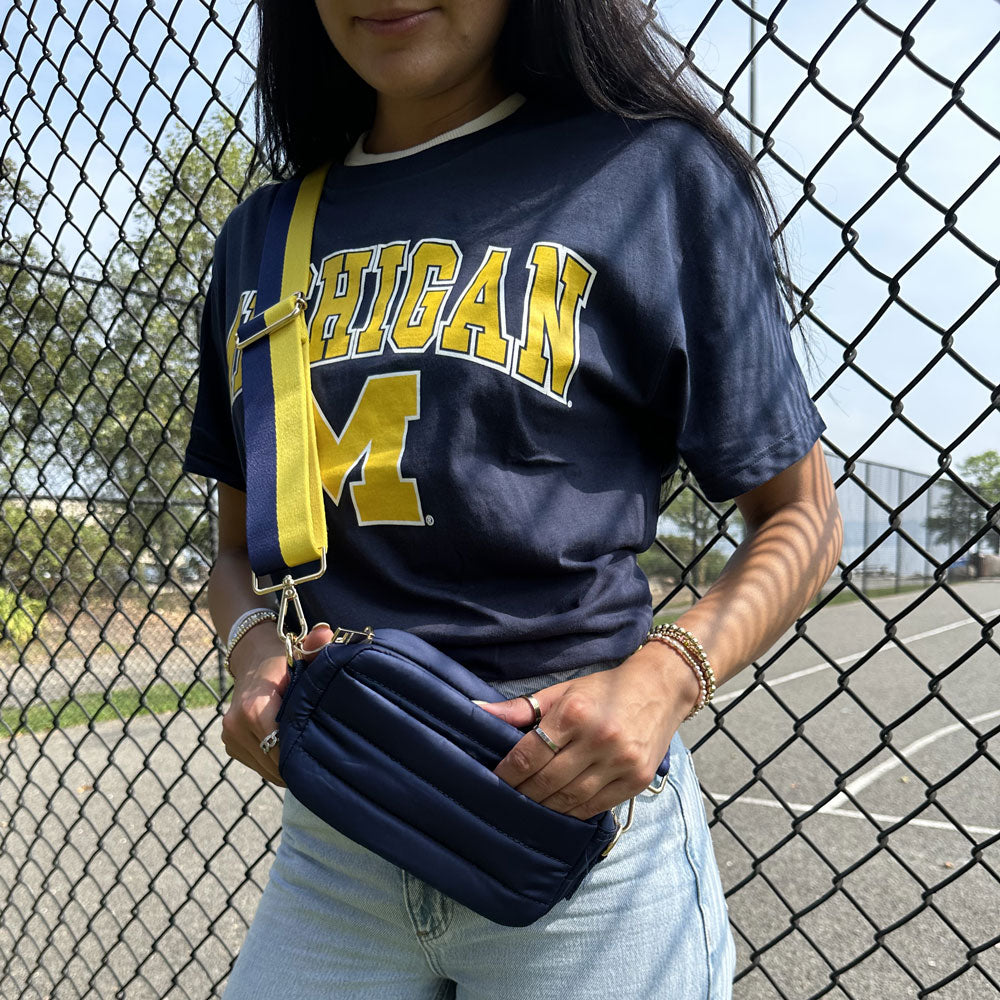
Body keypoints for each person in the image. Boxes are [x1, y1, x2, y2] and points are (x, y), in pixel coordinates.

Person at [181, 1, 843, 996]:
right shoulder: (261, 237)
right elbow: (235, 553)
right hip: (340, 827)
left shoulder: (650, 175)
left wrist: (665, 676)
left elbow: (802, 515)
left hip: (578, 821)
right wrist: (252, 658)